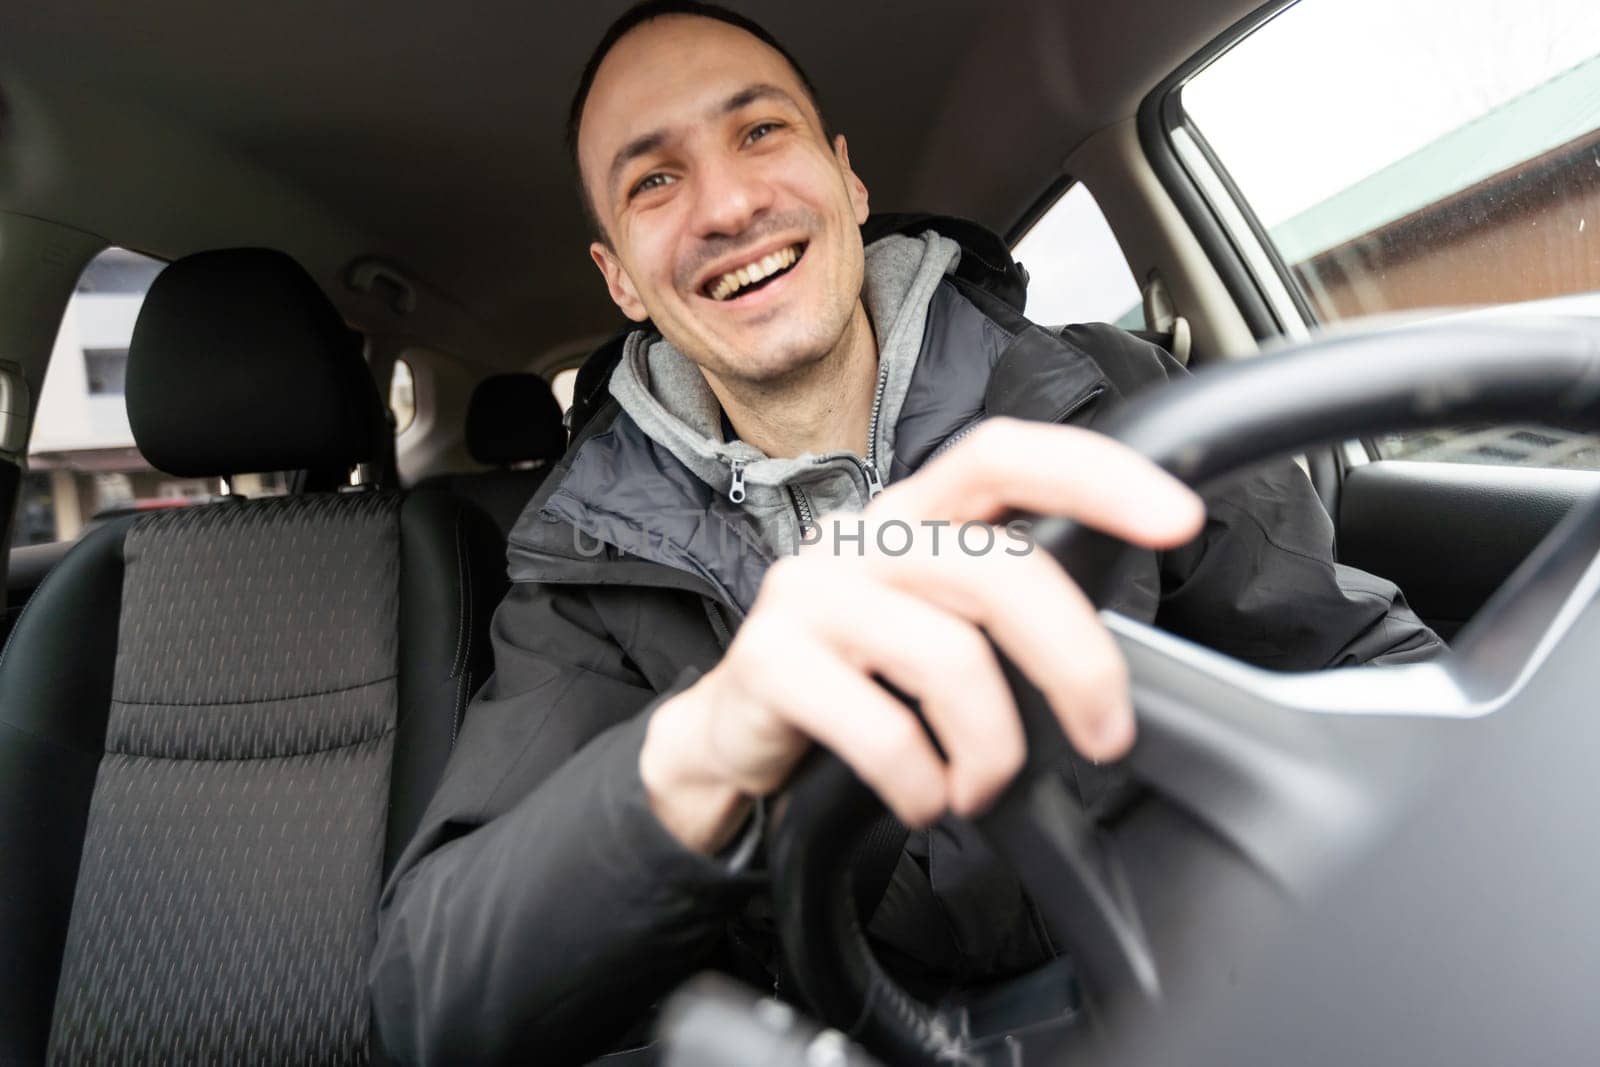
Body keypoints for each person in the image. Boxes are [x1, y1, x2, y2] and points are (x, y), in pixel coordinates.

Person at [368, 3, 1444, 1062]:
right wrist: (708, 744)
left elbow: (1377, 688)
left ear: (848, 178)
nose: (729, 202)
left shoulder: (1113, 396)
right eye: (653, 179)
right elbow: (431, 1001)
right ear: (619, 278)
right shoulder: (579, 573)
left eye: (759, 130)